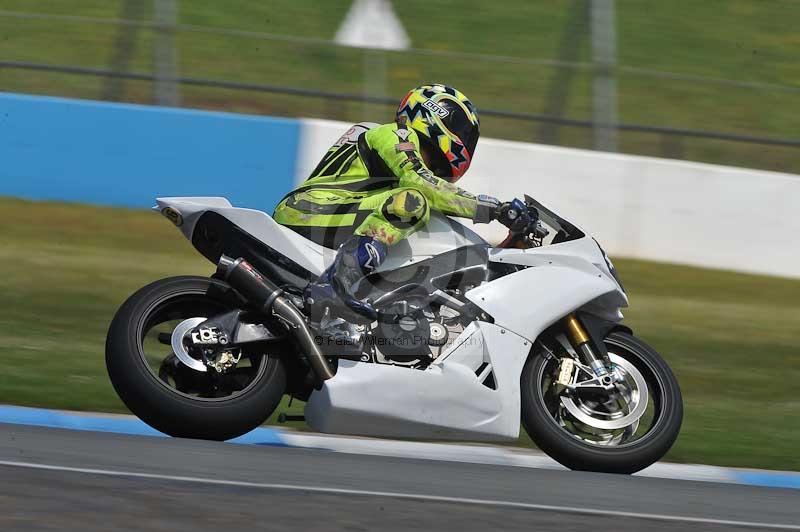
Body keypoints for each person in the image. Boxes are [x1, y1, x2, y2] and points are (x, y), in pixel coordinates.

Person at [273, 83, 532, 320]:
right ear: (436, 116)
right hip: (310, 208)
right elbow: (421, 184)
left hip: (335, 211)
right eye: (463, 132)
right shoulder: (395, 133)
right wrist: (493, 209)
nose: (465, 141)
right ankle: (335, 284)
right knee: (411, 202)